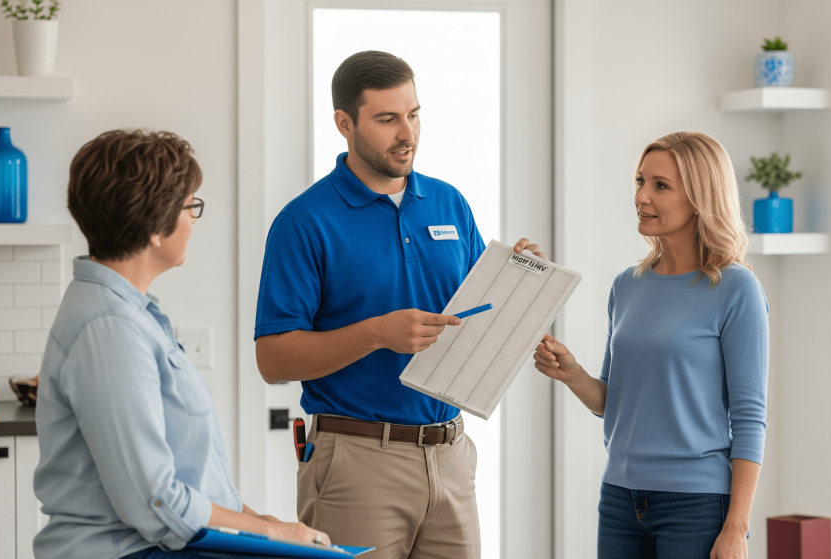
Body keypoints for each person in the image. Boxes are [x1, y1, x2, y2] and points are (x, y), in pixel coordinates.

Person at [254, 50, 543, 558]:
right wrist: (376, 334)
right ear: (345, 123)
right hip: (357, 462)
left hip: (451, 456)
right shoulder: (303, 223)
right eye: (387, 119)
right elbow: (273, 359)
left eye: (413, 114)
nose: (406, 132)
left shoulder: (449, 203)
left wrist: (516, 279)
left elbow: (476, 315)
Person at [33, 129, 329, 559]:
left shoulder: (131, 314)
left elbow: (186, 482)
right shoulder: (110, 329)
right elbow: (155, 502)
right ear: (156, 227)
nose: (193, 219)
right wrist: (271, 535)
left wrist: (262, 523)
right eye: (191, 206)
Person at [533, 132, 768, 558]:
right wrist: (572, 374)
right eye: (640, 181)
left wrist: (737, 528)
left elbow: (750, 418)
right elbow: (611, 401)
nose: (641, 196)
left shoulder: (736, 288)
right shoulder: (627, 284)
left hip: (695, 504)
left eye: (661, 186)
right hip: (621, 496)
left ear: (700, 197)